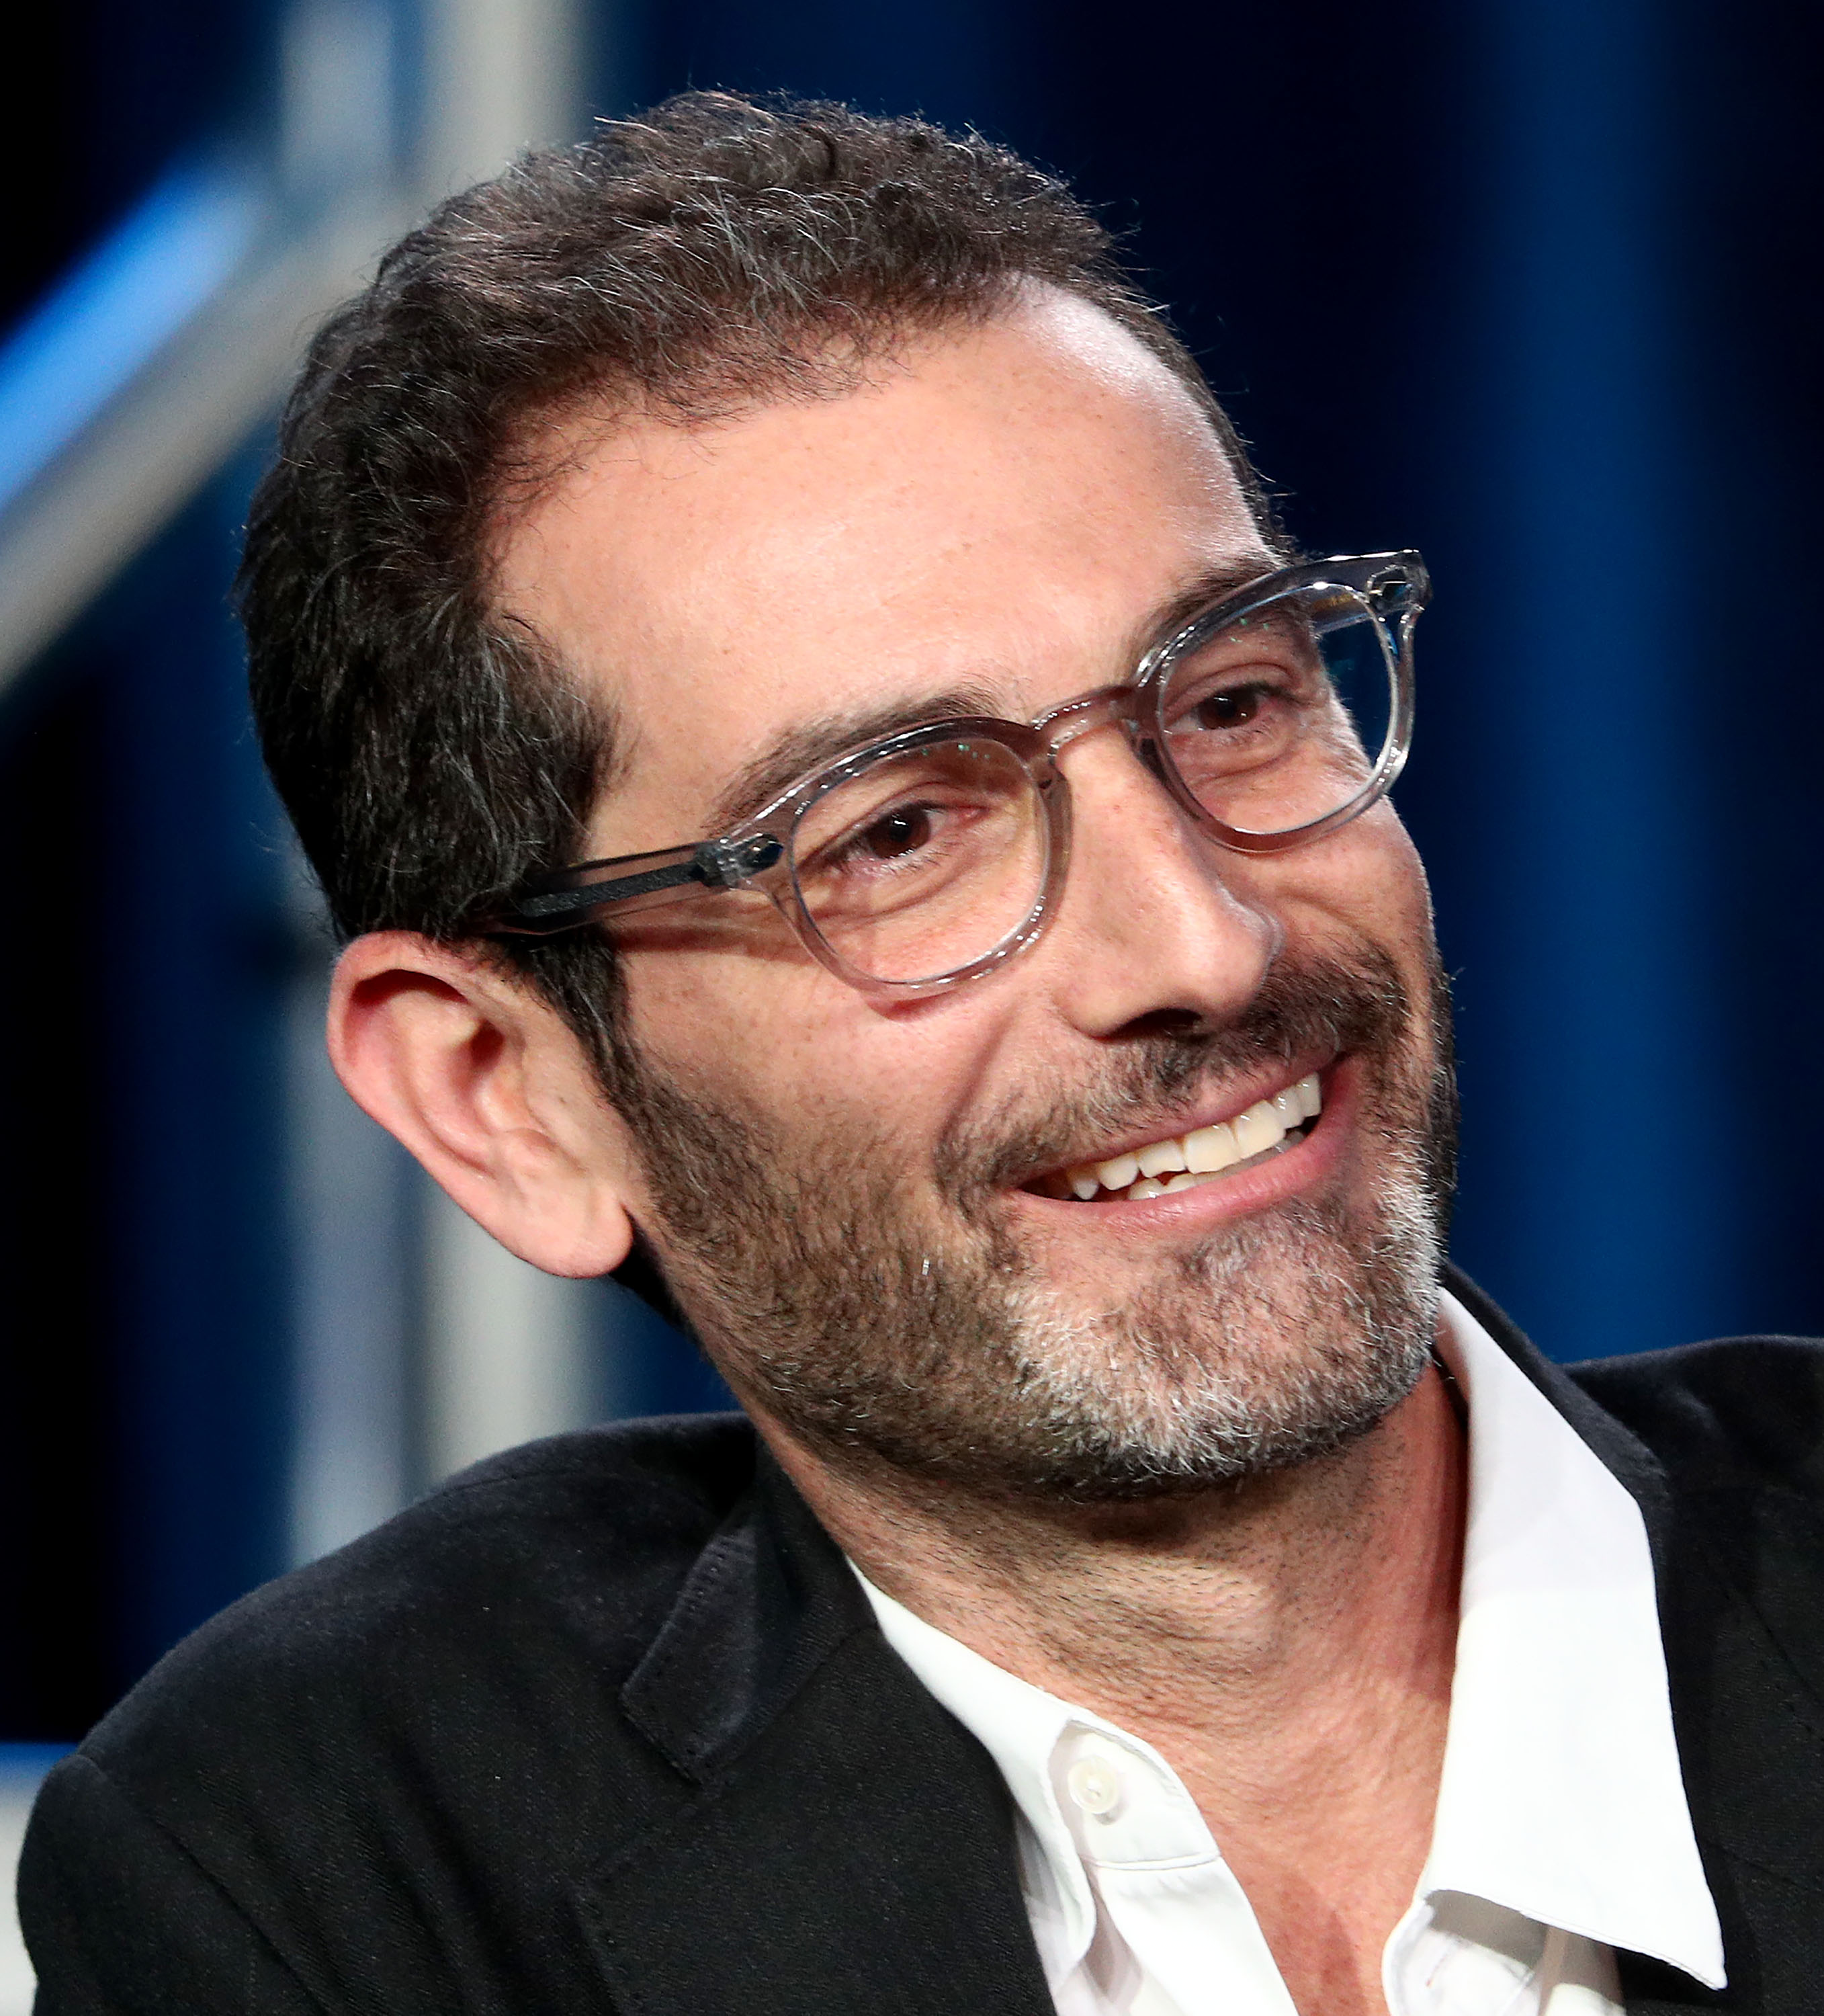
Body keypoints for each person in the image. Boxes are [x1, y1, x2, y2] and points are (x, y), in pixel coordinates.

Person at [20, 91, 1824, 2016]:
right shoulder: (339, 1881)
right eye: (894, 832)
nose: (1200, 942)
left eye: (1229, 698)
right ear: (505, 1097)